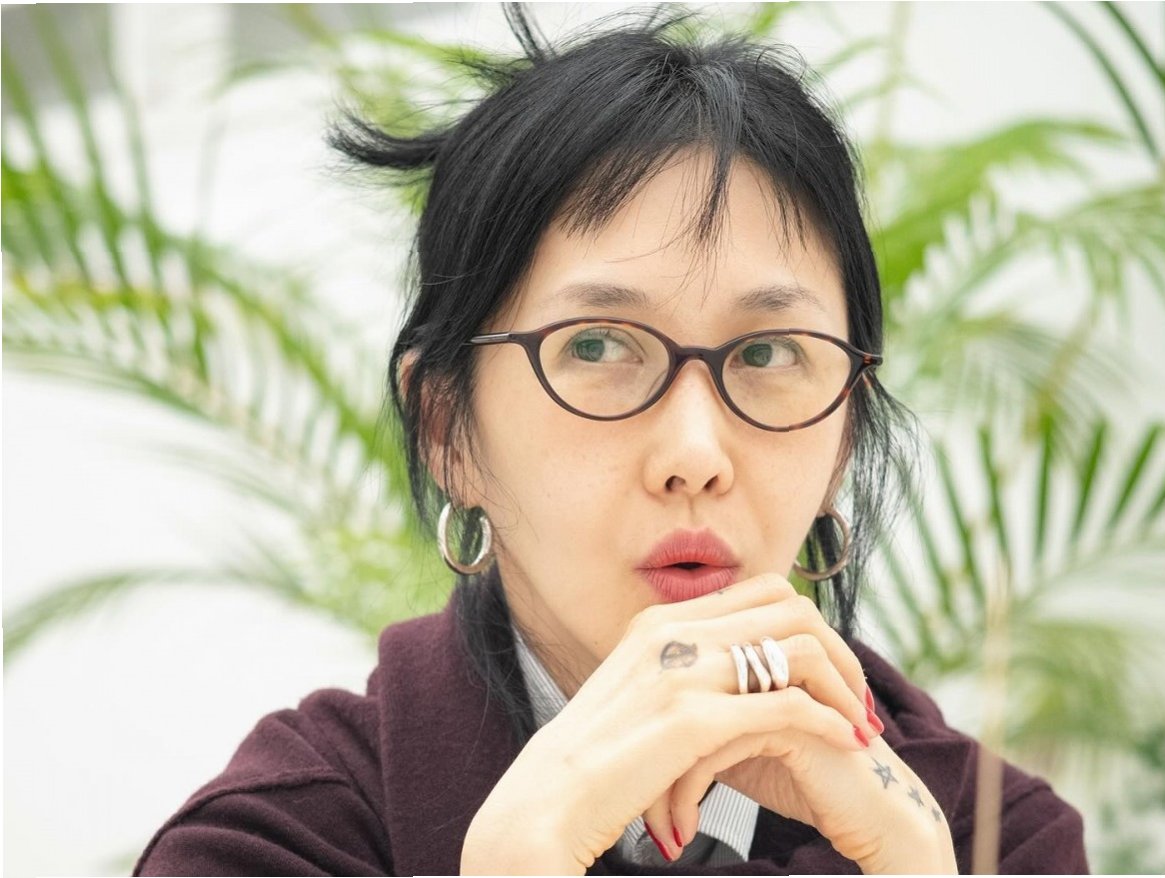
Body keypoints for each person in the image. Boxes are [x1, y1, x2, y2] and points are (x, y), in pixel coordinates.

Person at [134, 5, 1089, 875]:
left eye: (767, 352)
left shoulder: (987, 839)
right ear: (446, 429)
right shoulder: (274, 844)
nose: (694, 454)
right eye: (595, 346)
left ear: (843, 432)